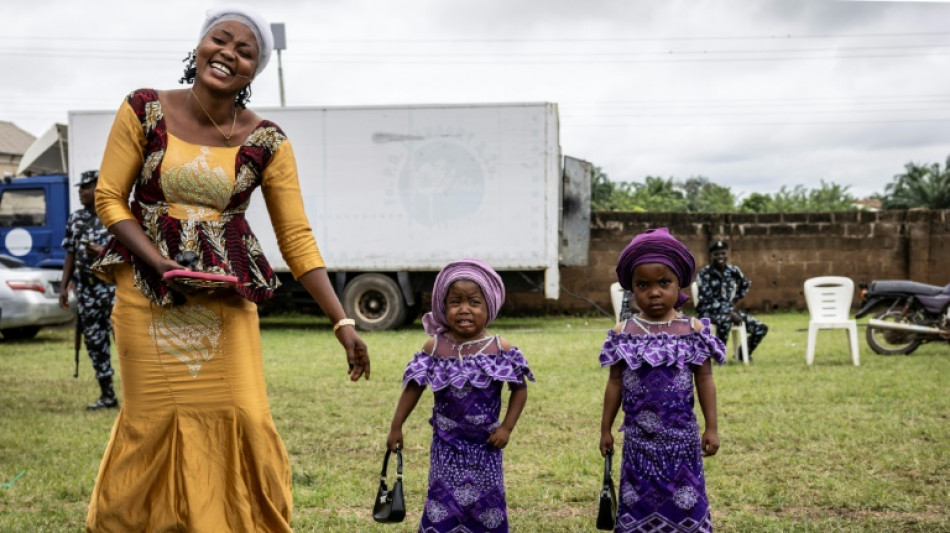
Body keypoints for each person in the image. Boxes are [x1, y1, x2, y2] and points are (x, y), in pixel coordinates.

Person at [85, 7, 370, 532]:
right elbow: (109, 198)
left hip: (225, 299)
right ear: (198, 47)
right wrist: (159, 263)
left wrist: (342, 322)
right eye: (221, 40)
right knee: (149, 426)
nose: (229, 54)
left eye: (246, 52)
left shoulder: (267, 141)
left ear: (253, 73)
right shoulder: (145, 109)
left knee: (244, 418)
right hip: (146, 297)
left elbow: (297, 238)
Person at [387, 258, 534, 533]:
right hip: (446, 447)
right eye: (455, 302)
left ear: (488, 306)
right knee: (442, 504)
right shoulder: (435, 347)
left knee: (486, 508)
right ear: (443, 307)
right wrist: (396, 426)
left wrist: (506, 427)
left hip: (486, 447)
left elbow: (520, 389)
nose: (464, 309)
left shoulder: (499, 348)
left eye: (474, 302)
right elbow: (414, 387)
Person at [599, 228, 724, 532]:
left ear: (679, 283)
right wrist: (605, 429)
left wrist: (712, 427)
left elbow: (705, 380)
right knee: (637, 501)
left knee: (686, 503)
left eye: (664, 283)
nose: (654, 292)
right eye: (643, 285)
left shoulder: (692, 329)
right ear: (631, 288)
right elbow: (615, 383)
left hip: (682, 440)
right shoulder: (623, 332)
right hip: (638, 442)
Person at [59, 169, 117, 410]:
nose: (81, 191)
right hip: (87, 290)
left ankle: (141, 398)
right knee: (95, 342)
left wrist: (102, 253)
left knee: (126, 342)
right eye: (80, 188)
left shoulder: (115, 216)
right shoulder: (76, 219)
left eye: (86, 187)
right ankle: (107, 396)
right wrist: (64, 286)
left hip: (114, 289)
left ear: (99, 187)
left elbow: (129, 253)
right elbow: (70, 253)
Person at [695, 240, 769, 360]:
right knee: (725, 319)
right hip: (708, 312)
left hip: (729, 310)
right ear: (711, 256)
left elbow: (745, 283)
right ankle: (719, 355)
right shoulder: (704, 274)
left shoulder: (733, 270)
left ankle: (741, 354)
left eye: (723, 253)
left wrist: (735, 300)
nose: (720, 257)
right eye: (716, 254)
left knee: (761, 328)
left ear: (727, 254)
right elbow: (706, 299)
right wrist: (728, 311)